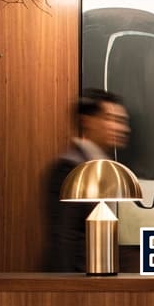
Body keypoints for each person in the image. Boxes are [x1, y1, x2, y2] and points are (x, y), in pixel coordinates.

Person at [43, 88, 131, 272]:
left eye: (122, 122)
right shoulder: (70, 168)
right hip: (79, 280)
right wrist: (69, 287)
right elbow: (65, 237)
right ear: (87, 121)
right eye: (112, 119)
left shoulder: (103, 166)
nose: (122, 129)